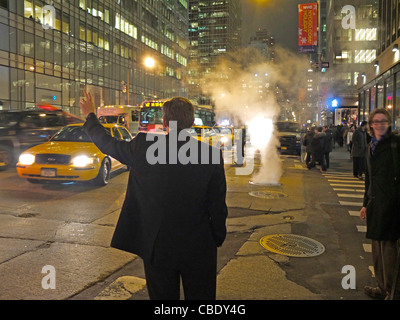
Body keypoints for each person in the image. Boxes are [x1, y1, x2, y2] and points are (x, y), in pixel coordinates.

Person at [79, 91, 228, 300]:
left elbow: (106, 143)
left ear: (165, 121)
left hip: (158, 245)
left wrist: (91, 117)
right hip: (199, 244)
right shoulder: (210, 154)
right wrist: (217, 236)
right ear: (192, 122)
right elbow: (217, 204)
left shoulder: (143, 146)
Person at [360, 108, 400, 300]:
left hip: (392, 205)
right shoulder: (370, 146)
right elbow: (369, 178)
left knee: (389, 250)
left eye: (383, 121)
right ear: (371, 125)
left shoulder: (396, 144)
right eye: (376, 121)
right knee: (376, 248)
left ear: (389, 123)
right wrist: (365, 203)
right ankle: (381, 287)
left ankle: (392, 291)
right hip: (375, 204)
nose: (380, 124)